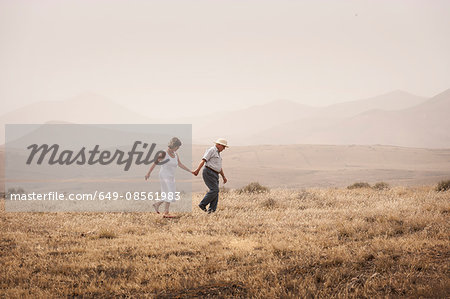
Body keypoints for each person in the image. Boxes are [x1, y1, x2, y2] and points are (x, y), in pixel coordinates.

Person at [145, 137, 193, 218]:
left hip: (171, 176)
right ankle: (165, 211)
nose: (178, 148)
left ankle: (158, 206)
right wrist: (148, 173)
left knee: (170, 193)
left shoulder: (175, 154)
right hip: (164, 175)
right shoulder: (164, 153)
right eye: (177, 146)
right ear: (173, 145)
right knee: (170, 193)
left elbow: (180, 164)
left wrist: (190, 171)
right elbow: (155, 163)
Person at [193, 138, 228, 213]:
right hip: (209, 172)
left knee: (215, 191)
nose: (224, 148)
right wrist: (197, 170)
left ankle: (211, 211)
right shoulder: (211, 150)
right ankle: (202, 204)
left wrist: (223, 176)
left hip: (215, 174)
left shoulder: (218, 153)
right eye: (223, 146)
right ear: (218, 145)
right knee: (215, 190)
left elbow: (219, 167)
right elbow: (203, 160)